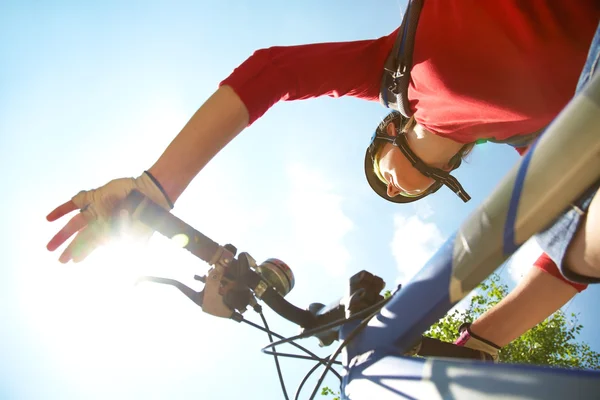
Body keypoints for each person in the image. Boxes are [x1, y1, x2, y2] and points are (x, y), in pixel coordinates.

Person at [46, 1, 600, 361]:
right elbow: (576, 260)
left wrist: (155, 191)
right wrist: (473, 349)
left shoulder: (393, 71)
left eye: (381, 178)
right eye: (403, 193)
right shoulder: (540, 142)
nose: (397, 189)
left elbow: (274, 72)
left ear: (390, 130)